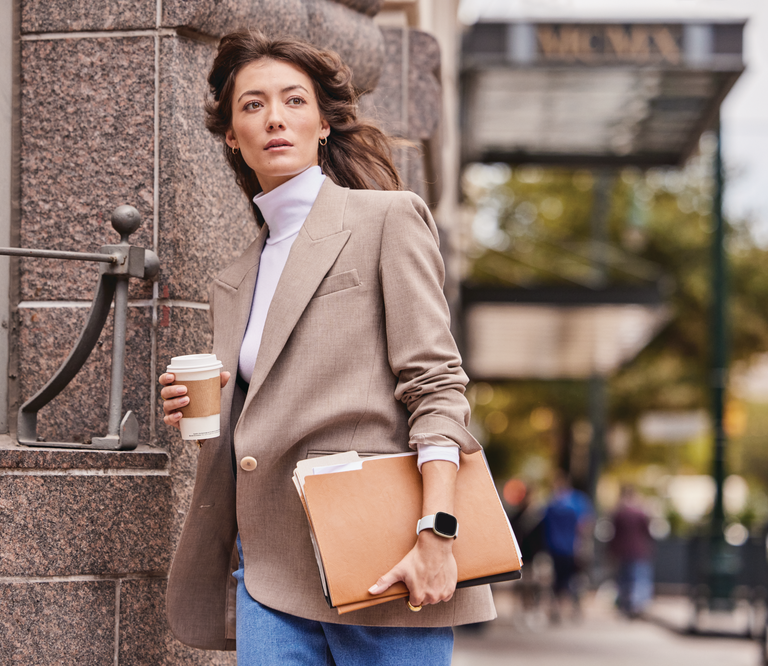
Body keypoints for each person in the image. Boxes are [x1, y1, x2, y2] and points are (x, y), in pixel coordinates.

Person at [157, 31, 495, 665]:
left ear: (322, 124)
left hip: (380, 553)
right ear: (232, 134)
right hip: (269, 570)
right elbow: (266, 410)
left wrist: (438, 532)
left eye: (293, 101)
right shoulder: (235, 278)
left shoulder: (385, 220)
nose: (274, 117)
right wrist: (204, 409)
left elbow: (437, 385)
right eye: (252, 106)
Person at [541, 471, 593, 620]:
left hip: (555, 547)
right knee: (574, 579)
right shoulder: (578, 501)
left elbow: (543, 525)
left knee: (558, 579)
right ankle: (572, 608)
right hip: (572, 547)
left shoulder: (551, 502)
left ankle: (557, 607)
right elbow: (585, 524)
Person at [609, 485, 655, 617]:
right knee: (638, 578)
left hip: (622, 551)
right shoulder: (640, 513)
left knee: (624, 579)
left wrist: (612, 551)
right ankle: (636, 604)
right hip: (639, 551)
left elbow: (614, 535)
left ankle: (625, 604)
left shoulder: (618, 513)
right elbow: (647, 532)